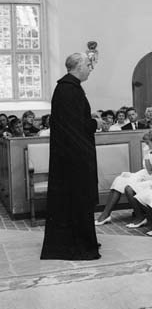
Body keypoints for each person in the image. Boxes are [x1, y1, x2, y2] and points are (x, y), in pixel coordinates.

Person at [40, 52, 102, 260]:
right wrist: (95, 124)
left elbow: (73, 122)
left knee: (76, 202)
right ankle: (79, 244)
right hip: (75, 159)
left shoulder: (68, 88)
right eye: (87, 64)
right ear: (77, 67)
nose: (90, 68)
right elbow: (77, 127)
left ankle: (82, 239)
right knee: (78, 200)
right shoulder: (70, 90)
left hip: (71, 156)